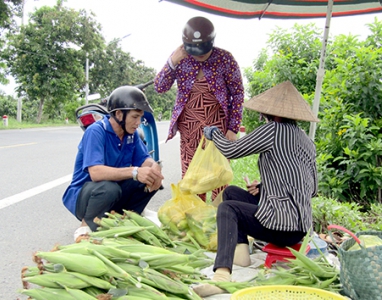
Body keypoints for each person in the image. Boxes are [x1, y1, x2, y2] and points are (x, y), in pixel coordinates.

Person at [193, 81, 319, 297]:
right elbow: (311, 188)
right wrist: (263, 187)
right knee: (231, 192)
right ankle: (241, 254)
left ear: (271, 114)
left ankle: (222, 276)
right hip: (300, 228)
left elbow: (231, 150)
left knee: (228, 209)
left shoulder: (272, 130)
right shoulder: (307, 141)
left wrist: (215, 135)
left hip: (281, 227)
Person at [154, 16, 244, 201]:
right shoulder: (180, 59)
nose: (199, 55)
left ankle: (218, 222)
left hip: (219, 131)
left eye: (203, 49)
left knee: (218, 178)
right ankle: (195, 222)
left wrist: (233, 128)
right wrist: (172, 61)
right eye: (194, 51)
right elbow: (160, 87)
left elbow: (238, 94)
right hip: (189, 131)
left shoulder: (225, 59)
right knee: (192, 179)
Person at [62, 86, 164, 242]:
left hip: (111, 191)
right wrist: (135, 171)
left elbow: (144, 160)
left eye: (140, 118)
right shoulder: (96, 131)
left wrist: (153, 166)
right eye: (135, 117)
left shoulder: (131, 135)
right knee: (110, 188)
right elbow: (96, 173)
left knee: (148, 178)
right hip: (86, 195)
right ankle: (85, 226)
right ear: (118, 114)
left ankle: (127, 219)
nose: (138, 123)